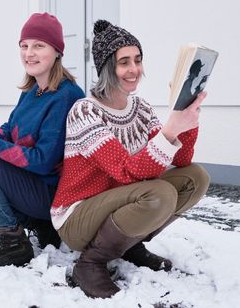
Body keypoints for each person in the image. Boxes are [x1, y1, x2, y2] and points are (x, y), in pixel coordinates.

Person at [50, 20, 210, 298]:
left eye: (137, 60)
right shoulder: (85, 112)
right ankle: (90, 263)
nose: (134, 69)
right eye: (124, 62)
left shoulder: (142, 108)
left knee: (195, 178)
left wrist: (187, 118)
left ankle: (129, 245)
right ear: (107, 69)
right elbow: (126, 171)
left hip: (119, 203)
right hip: (77, 216)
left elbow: (181, 160)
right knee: (158, 193)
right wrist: (170, 129)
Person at [0, 13, 85, 272]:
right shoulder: (32, 90)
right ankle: (39, 225)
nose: (29, 53)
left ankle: (11, 241)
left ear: (57, 51)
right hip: (27, 185)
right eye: (24, 46)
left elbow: (43, 161)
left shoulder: (66, 95)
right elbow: (10, 129)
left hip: (49, 193)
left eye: (38, 45)